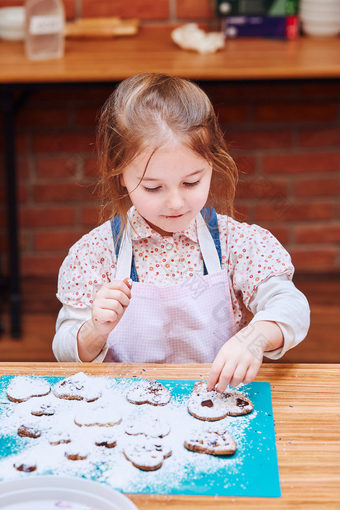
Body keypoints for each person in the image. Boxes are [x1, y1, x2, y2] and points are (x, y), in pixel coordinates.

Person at [53, 73, 310, 392]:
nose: (175, 202)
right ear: (120, 174)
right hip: (125, 414)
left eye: (191, 182)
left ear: (212, 164)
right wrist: (95, 329)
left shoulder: (234, 243)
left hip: (215, 406)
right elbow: (64, 349)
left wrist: (253, 339)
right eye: (153, 187)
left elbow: (292, 307)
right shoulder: (95, 254)